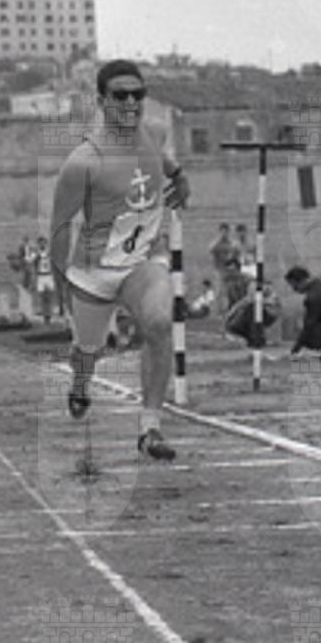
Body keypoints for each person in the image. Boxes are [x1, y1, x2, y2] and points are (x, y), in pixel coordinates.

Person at [48, 61, 191, 462]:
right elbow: (59, 228)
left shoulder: (153, 131)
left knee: (159, 323)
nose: (131, 103)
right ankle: (80, 382)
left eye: (137, 94)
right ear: (102, 101)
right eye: (120, 95)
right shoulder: (83, 162)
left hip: (143, 261)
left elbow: (162, 159)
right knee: (88, 349)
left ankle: (150, 428)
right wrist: (61, 289)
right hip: (94, 270)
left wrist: (180, 177)